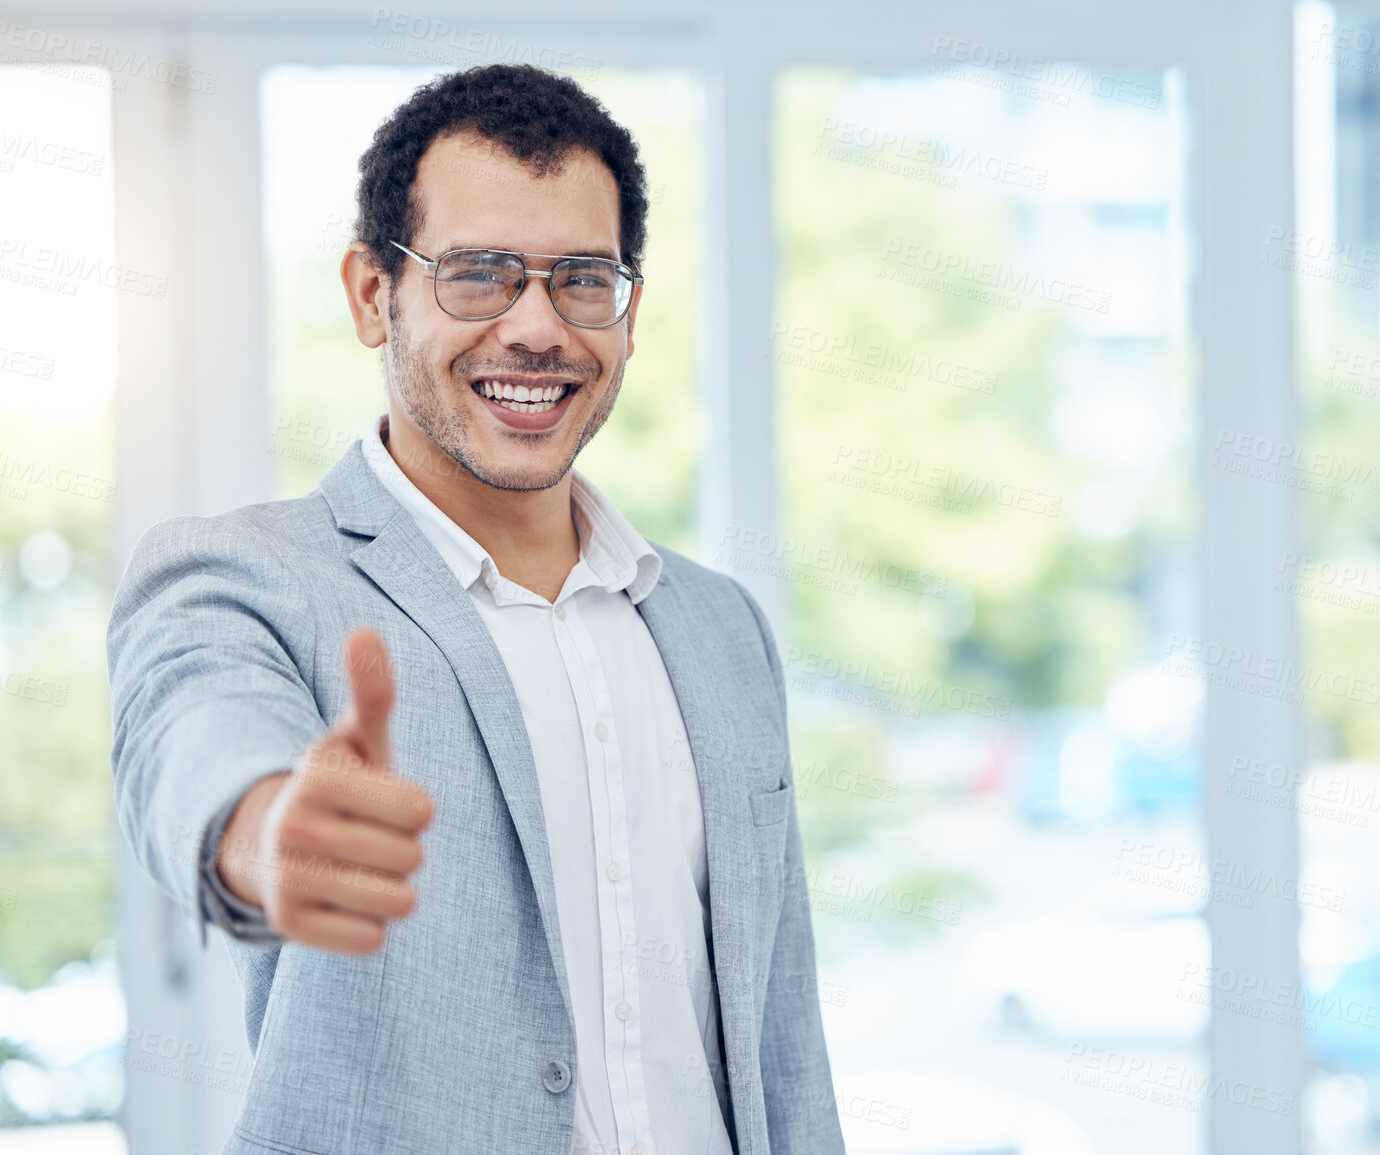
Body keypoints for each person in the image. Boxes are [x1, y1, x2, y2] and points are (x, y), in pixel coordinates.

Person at [106, 63, 843, 1155]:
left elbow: (780, 1041)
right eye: (479, 275)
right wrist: (267, 831)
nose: (536, 328)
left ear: (628, 313)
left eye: (582, 278)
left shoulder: (719, 625)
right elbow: (194, 738)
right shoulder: (244, 577)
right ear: (373, 295)